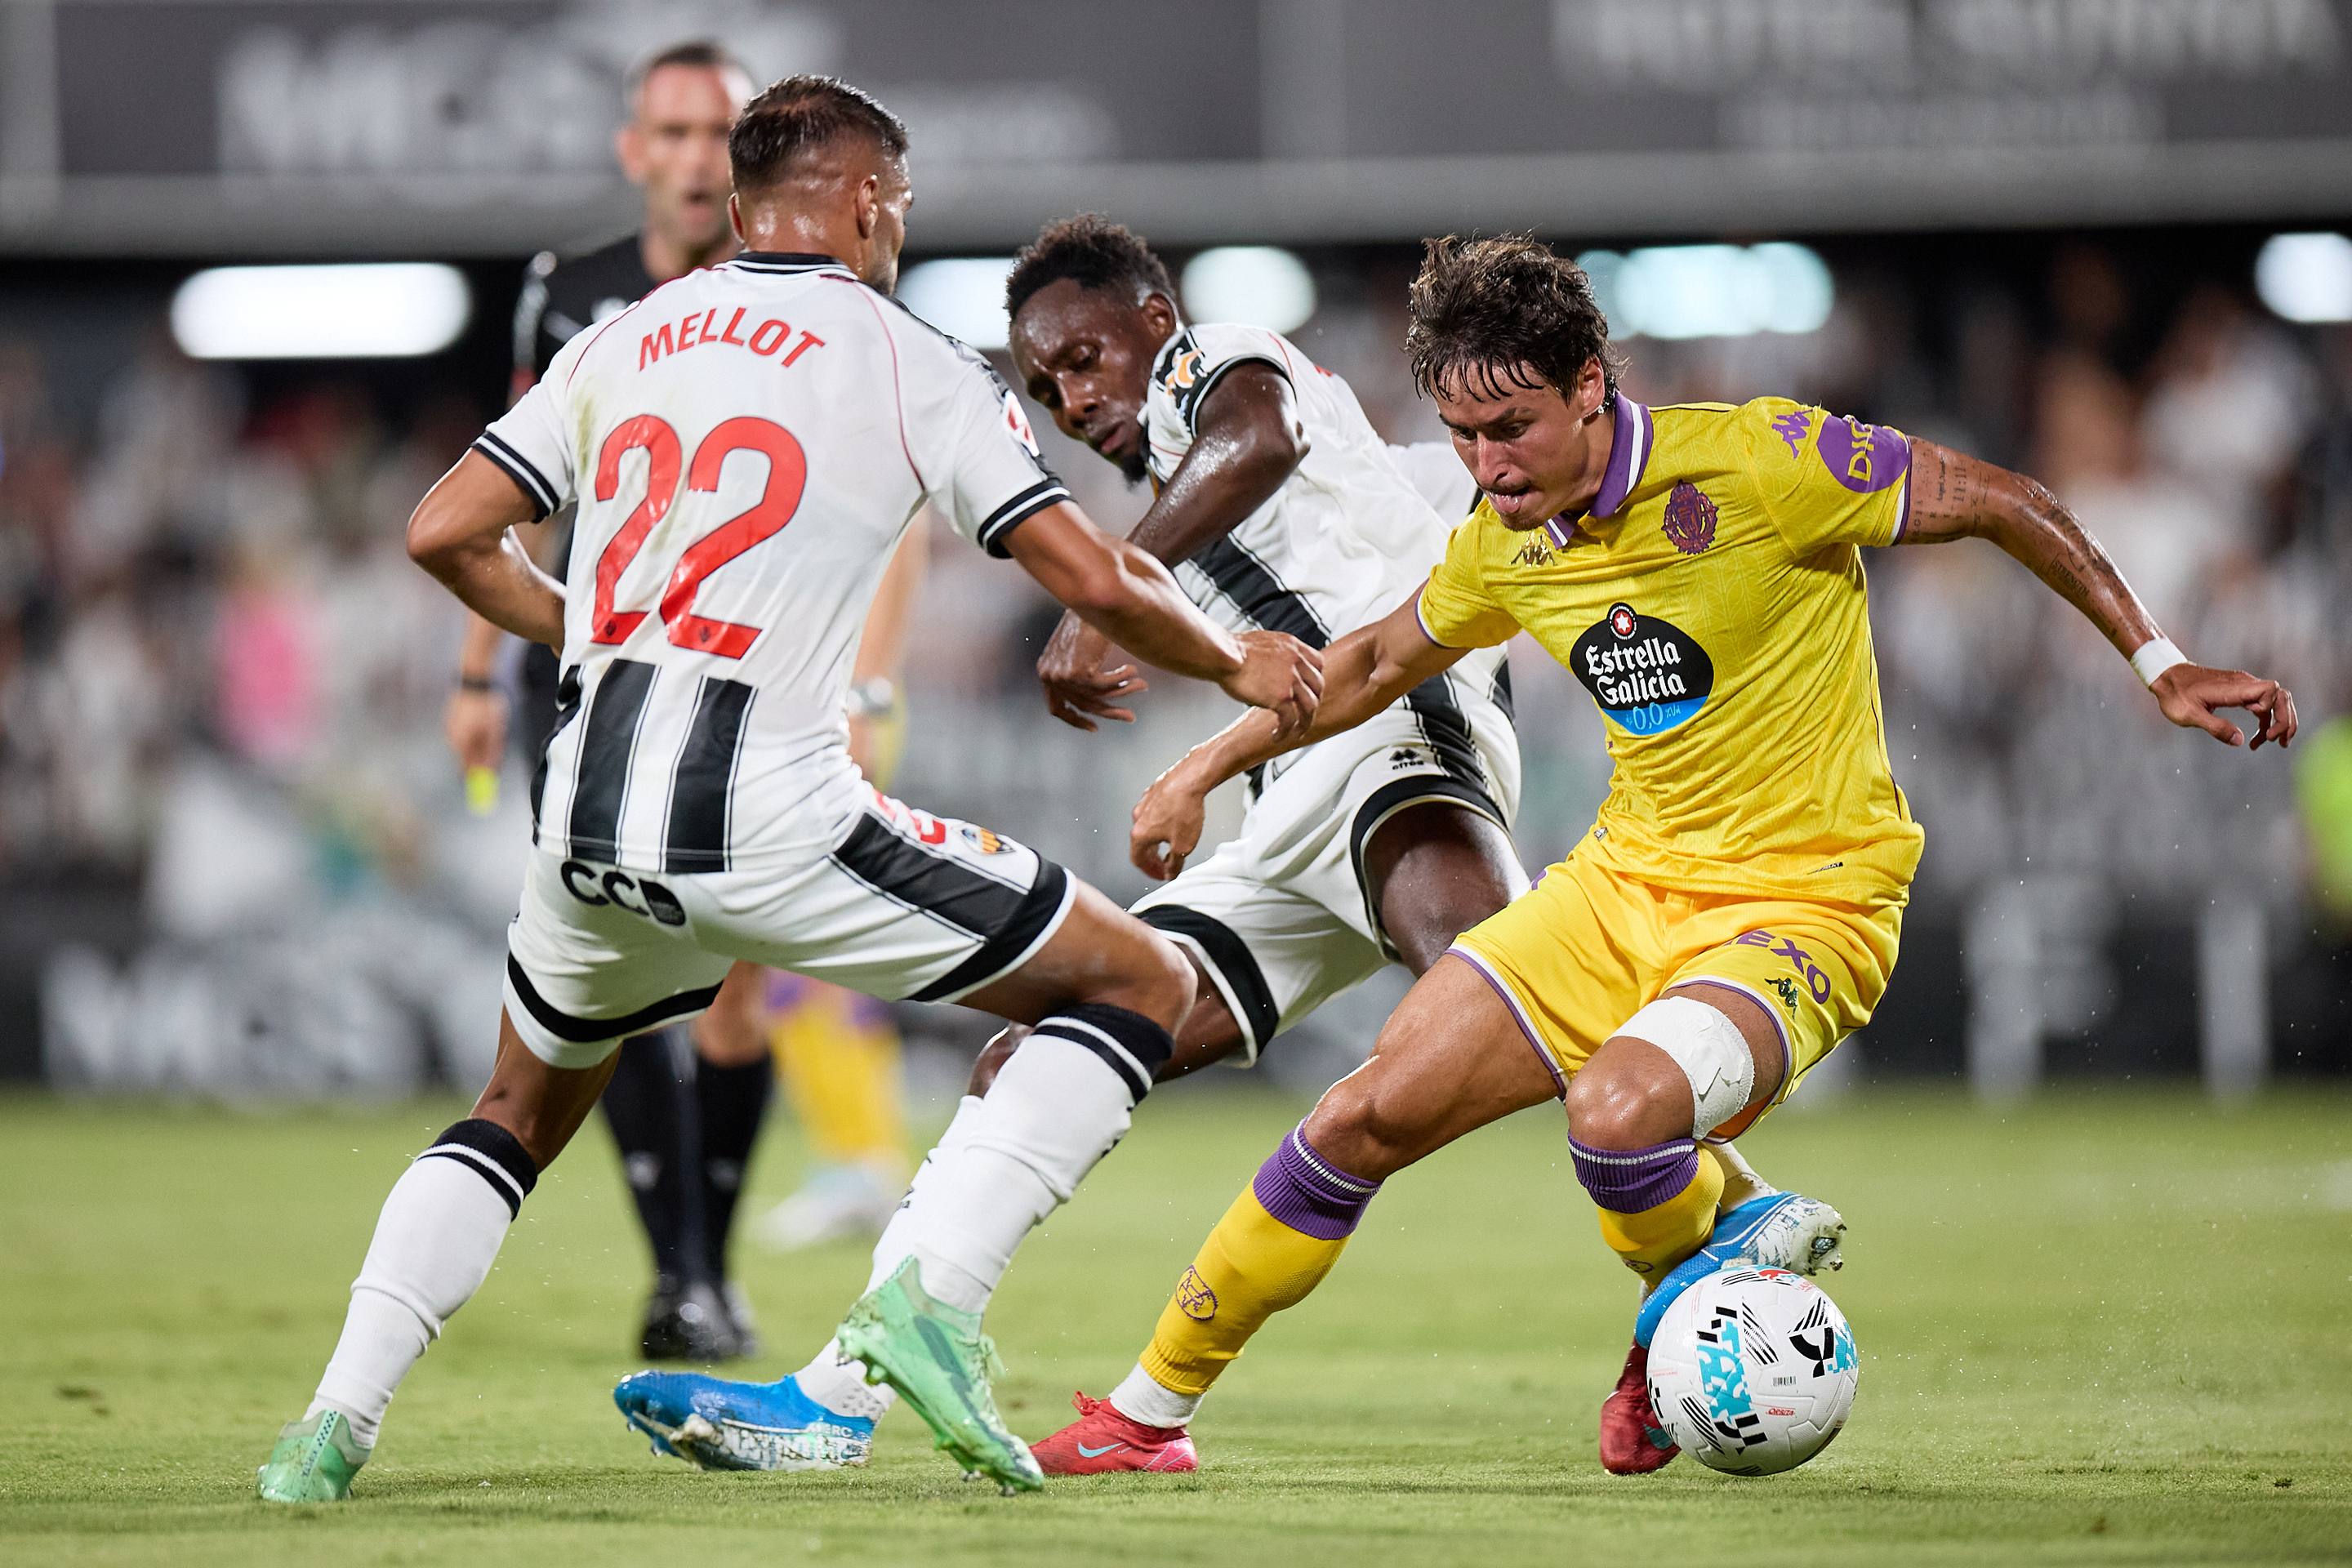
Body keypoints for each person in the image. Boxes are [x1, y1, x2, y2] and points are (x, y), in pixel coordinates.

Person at [1030, 234, 2299, 1477]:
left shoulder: (1766, 459)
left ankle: (1680, 1306)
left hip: (1806, 904)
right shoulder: (1505, 534)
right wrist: (1197, 768)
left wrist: (2160, 661)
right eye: (1463, 438)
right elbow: (1364, 664)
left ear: (1593, 384)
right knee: (1364, 1113)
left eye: (1512, 427)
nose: (1487, 465)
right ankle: (1147, 1418)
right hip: (1620, 890)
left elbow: (2007, 502)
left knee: (1616, 1114)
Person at [253, 74, 1321, 1504]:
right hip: (763, 812)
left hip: (582, 815)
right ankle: (927, 1306)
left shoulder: (624, 335)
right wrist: (1234, 661)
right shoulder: (907, 357)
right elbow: (1093, 575)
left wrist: (594, 630)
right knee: (1142, 986)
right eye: (904, 205)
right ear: (871, 201)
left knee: (513, 1110)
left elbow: (443, 527)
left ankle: (330, 1426)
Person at [609, 213, 1529, 1477]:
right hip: (1291, 809)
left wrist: (1106, 591)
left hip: (1404, 743)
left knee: (1508, 985)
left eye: (1086, 357)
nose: (1073, 395)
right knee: (1051, 1038)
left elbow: (1258, 438)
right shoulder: (1188, 493)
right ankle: (841, 1396)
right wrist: (1203, 753)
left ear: (1155, 320)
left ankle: (1730, 1223)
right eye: (1045, 386)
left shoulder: (1227, 363)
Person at [445, 39, 777, 1362]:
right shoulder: (565, 297)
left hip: (749, 669)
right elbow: (516, 495)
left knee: (741, 988)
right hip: (584, 672)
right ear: (637, 148)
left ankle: (710, 1256)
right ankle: (684, 1274)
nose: (701, 156)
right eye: (679, 131)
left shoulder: (794, 296)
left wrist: (863, 677)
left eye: (724, 132)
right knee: (616, 966)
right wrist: (481, 669)